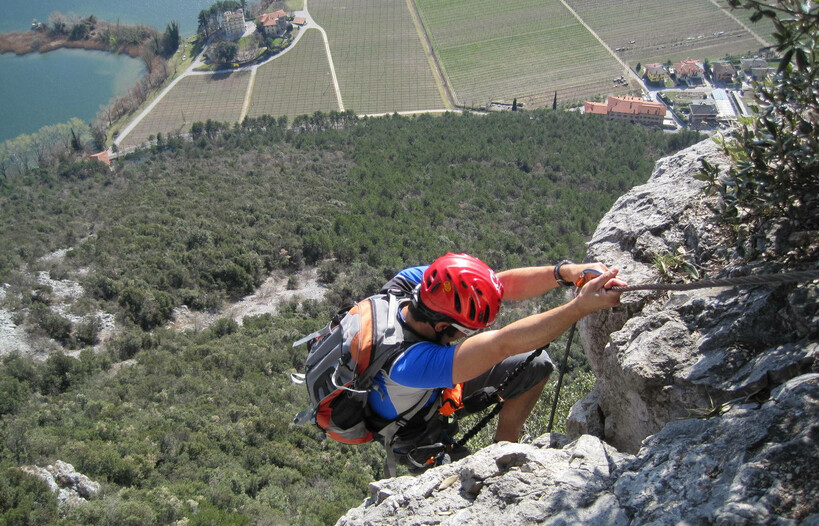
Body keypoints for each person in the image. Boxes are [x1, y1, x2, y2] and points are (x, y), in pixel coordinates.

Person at [366, 253, 626, 472]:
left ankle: (505, 446)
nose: (469, 336)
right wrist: (580, 307)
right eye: (466, 331)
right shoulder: (407, 365)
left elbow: (494, 285)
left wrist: (568, 272)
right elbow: (503, 343)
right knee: (468, 486)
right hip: (415, 427)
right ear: (442, 325)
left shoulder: (414, 284)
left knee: (534, 364)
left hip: (424, 390)